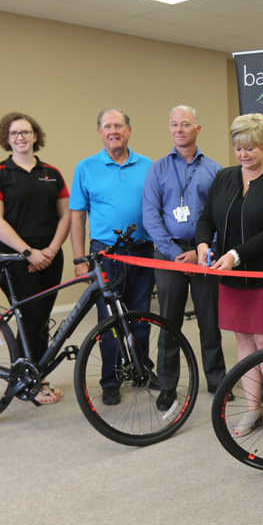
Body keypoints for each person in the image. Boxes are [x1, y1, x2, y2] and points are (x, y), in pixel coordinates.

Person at [196, 114, 263, 440]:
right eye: (238, 148)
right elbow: (207, 217)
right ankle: (253, 407)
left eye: (250, 148)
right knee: (242, 340)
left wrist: (235, 255)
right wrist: (201, 243)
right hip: (232, 278)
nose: (243, 155)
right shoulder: (224, 178)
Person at [0, 112, 70, 404]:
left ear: (35, 136)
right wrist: (29, 252)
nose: (21, 137)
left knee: (41, 320)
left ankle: (30, 376)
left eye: (26, 132)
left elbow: (66, 215)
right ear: (6, 139)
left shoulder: (52, 173)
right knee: (31, 319)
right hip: (13, 260)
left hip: (50, 255)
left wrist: (52, 250)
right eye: (14, 133)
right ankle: (31, 383)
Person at [142, 105, 226, 411]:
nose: (179, 129)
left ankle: (217, 379)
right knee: (169, 322)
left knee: (210, 321)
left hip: (205, 253)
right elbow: (151, 217)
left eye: (186, 124)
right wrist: (178, 255)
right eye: (174, 125)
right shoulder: (157, 169)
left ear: (198, 129)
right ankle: (167, 385)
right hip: (169, 254)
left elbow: (221, 217)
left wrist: (203, 251)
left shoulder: (215, 170)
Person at [69, 108, 155, 407]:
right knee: (109, 323)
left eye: (119, 126)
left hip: (143, 253)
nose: (113, 131)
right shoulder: (86, 167)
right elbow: (77, 216)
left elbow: (158, 209)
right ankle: (110, 380)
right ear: (100, 132)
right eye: (107, 126)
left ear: (129, 131)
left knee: (141, 318)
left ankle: (142, 369)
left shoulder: (148, 165)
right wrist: (80, 259)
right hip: (105, 254)